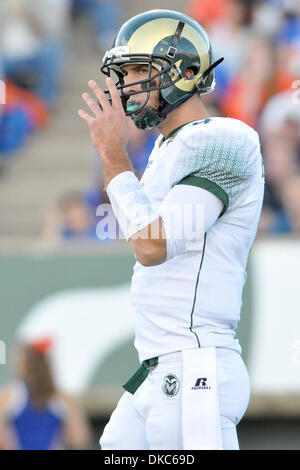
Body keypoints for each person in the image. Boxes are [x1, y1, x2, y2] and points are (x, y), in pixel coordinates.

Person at [79, 9, 265, 450]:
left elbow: (152, 245)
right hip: (160, 368)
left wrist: (112, 154)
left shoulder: (223, 138)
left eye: (140, 69)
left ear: (183, 72)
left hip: (194, 367)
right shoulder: (168, 148)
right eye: (124, 74)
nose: (127, 85)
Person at [0, 339, 91, 450]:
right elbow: (79, 439)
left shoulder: (8, 397)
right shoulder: (65, 399)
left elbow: (79, 439)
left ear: (23, 366)